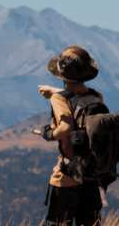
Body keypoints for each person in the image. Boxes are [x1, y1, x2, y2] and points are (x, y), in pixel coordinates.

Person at [37, 45, 104, 226]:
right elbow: (76, 98)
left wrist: (50, 134)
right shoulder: (97, 96)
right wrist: (54, 91)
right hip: (92, 174)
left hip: (68, 173)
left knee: (58, 223)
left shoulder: (59, 99)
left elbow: (65, 127)